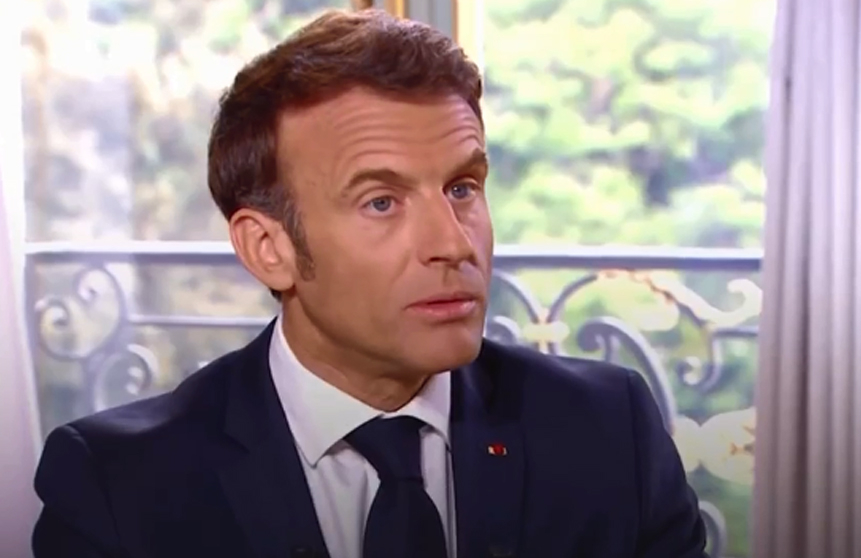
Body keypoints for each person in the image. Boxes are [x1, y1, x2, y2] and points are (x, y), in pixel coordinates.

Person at [31, 9, 708, 558]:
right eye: (381, 202)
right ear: (269, 249)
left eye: (462, 188)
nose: (453, 244)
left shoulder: (606, 432)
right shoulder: (117, 487)